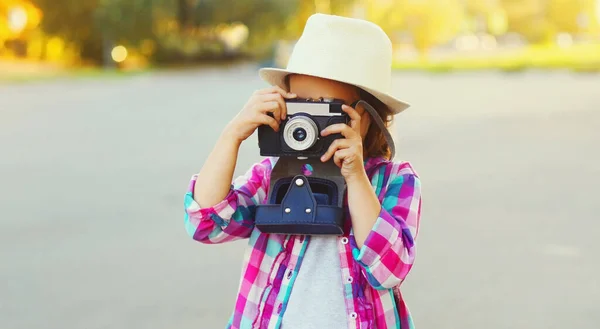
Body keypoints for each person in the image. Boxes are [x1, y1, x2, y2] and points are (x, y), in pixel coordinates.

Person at [184, 13, 422, 329]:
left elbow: (387, 269)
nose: (306, 120)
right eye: (300, 105)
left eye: (325, 107)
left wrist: (355, 177)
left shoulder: (395, 181)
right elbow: (206, 224)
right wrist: (232, 134)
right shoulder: (271, 173)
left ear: (369, 117)